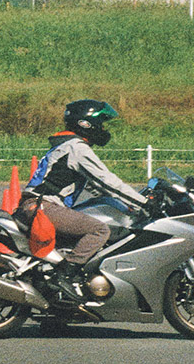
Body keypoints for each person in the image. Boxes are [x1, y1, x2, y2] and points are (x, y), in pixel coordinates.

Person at [21, 100, 149, 302]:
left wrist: (128, 204)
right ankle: (63, 275)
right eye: (101, 124)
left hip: (37, 205)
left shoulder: (67, 145)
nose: (103, 129)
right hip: (44, 207)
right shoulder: (77, 148)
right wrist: (144, 203)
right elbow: (107, 181)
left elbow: (97, 186)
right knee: (100, 230)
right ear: (86, 124)